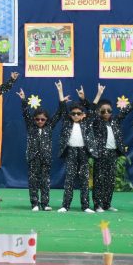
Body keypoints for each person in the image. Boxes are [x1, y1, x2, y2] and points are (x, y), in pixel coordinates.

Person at [17, 81, 66, 211]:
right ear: (34, 119)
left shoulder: (49, 127)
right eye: (37, 119)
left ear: (47, 120)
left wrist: (60, 92)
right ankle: (34, 203)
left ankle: (45, 204)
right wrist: (23, 100)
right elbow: (25, 113)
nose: (40, 121)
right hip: (33, 157)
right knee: (33, 181)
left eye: (43, 119)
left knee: (45, 181)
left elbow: (59, 113)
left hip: (46, 157)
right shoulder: (31, 126)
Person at [57, 84, 101, 213]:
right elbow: (62, 108)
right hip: (71, 151)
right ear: (70, 115)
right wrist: (60, 91)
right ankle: (65, 205)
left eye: (78, 113)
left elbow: (92, 108)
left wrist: (99, 94)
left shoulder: (87, 122)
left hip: (83, 152)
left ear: (83, 115)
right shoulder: (67, 122)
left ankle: (85, 206)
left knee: (84, 180)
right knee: (69, 179)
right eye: (73, 113)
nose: (76, 115)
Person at [91, 83, 132, 213]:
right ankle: (97, 205)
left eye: (109, 110)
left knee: (110, 181)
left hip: (112, 154)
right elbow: (91, 111)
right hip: (101, 154)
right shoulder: (97, 122)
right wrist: (99, 94)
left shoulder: (114, 121)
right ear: (99, 112)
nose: (106, 113)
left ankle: (107, 204)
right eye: (103, 111)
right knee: (99, 180)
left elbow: (125, 112)